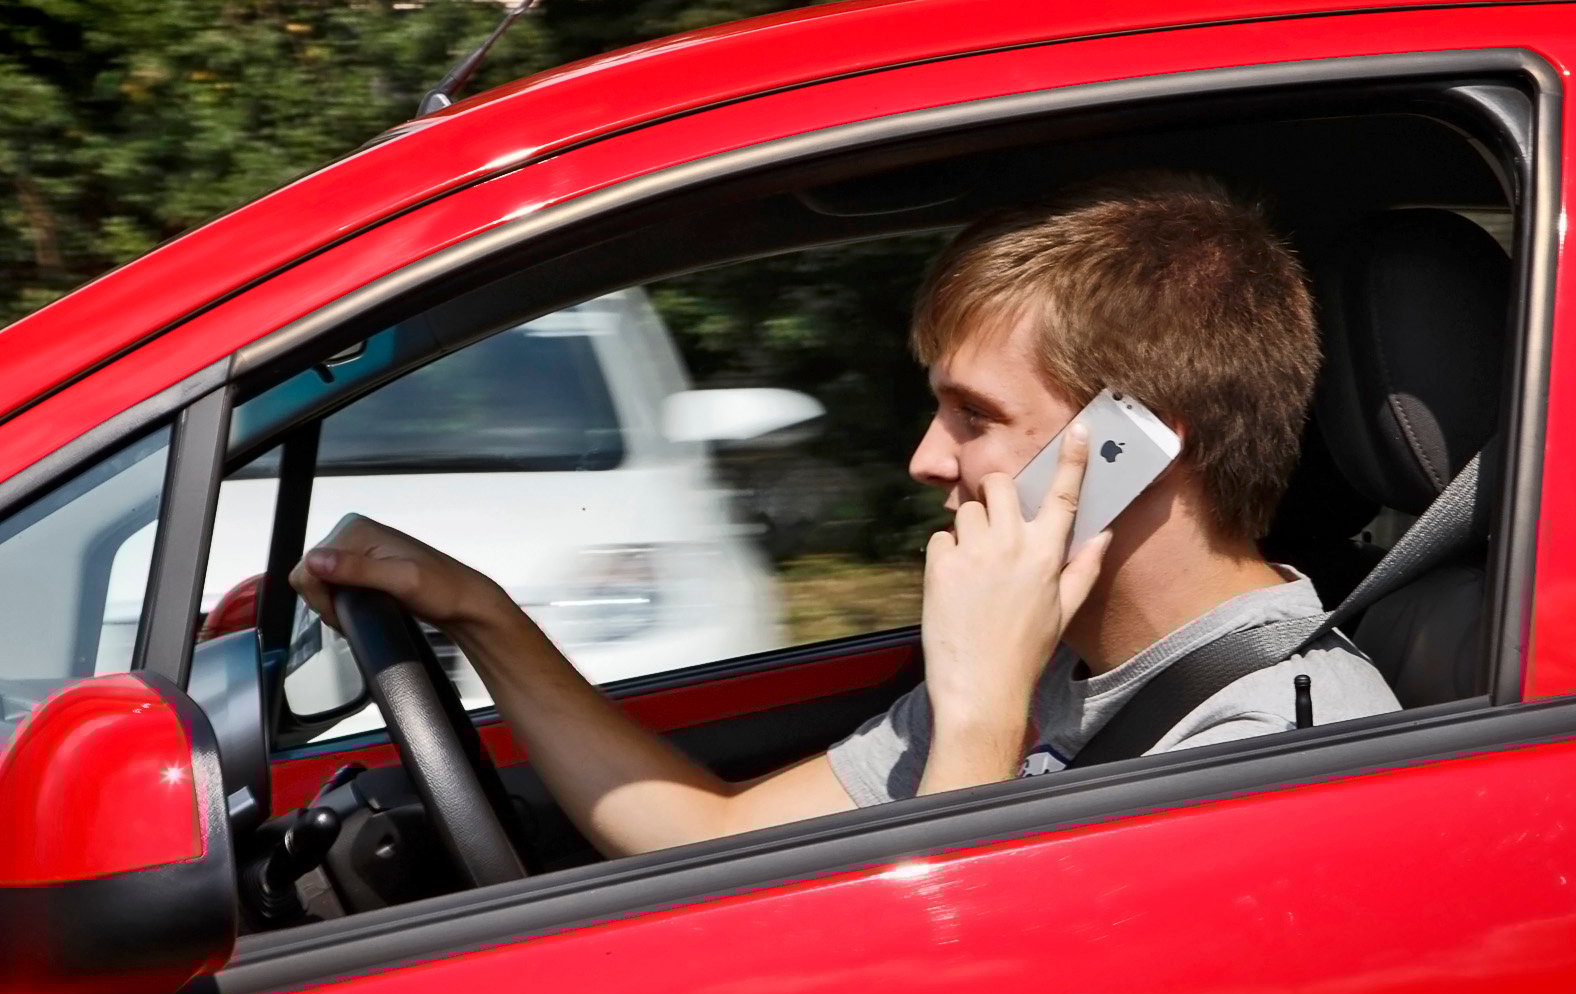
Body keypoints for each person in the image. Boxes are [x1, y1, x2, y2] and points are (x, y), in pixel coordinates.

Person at [290, 172, 1399, 857]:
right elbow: (706, 835)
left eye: (975, 414)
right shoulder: (1051, 664)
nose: (925, 460)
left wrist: (977, 719)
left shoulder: (1285, 749)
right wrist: (479, 613)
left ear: (1136, 445)